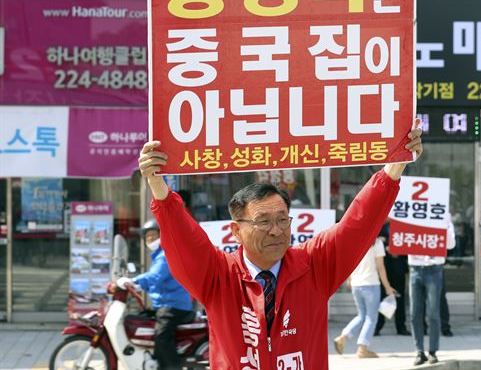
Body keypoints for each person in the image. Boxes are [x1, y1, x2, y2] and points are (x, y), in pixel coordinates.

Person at [137, 121, 423, 369]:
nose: (276, 231)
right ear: (236, 230)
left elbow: (358, 224)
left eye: (283, 220)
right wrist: (158, 186)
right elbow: (184, 238)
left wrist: (396, 164)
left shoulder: (314, 266)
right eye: (263, 222)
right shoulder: (218, 276)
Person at [116, 219, 194, 370]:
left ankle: (172, 367)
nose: (150, 240)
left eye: (153, 235)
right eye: (148, 237)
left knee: (161, 336)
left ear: (162, 236)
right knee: (142, 322)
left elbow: (155, 277)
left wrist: (133, 280)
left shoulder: (165, 255)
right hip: (165, 304)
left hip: (174, 305)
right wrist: (137, 286)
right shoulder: (159, 256)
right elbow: (156, 281)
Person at [333, 236, 397, 358]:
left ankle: (343, 337)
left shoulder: (354, 240)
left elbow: (350, 262)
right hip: (371, 284)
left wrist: (350, 278)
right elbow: (381, 268)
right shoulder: (377, 242)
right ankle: (362, 348)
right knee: (371, 318)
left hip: (356, 284)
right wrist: (387, 286)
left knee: (362, 316)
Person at [409, 216, 456, 366]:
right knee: (415, 313)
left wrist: (446, 223)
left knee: (433, 313)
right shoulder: (413, 213)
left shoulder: (442, 214)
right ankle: (419, 351)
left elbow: (450, 244)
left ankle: (433, 351)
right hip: (416, 268)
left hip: (434, 269)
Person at [374, 222, 411, 336]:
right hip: (384, 266)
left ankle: (401, 326)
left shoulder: (404, 224)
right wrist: (386, 248)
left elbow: (411, 243)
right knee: (382, 296)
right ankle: (378, 326)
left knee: (399, 297)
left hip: (399, 266)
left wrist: (400, 251)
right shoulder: (380, 224)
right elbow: (373, 242)